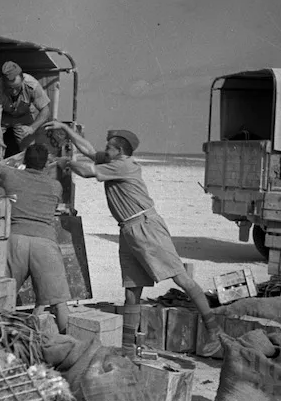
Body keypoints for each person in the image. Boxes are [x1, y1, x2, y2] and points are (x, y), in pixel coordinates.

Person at [44, 122, 226, 357]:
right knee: (132, 289)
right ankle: (128, 349)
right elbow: (89, 151)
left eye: (109, 147)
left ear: (119, 151)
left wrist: (66, 162)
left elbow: (88, 170)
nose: (104, 150)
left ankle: (215, 330)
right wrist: (66, 130)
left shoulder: (123, 166)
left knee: (181, 278)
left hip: (146, 227)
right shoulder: (113, 161)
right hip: (128, 230)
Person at [0, 143, 71, 333]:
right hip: (45, 242)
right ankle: (65, 343)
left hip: (15, 240)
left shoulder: (10, 176)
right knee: (59, 302)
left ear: (25, 160)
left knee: (3, 296)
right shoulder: (55, 186)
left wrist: (16, 160)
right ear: (45, 164)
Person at [0, 61, 51, 158]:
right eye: (9, 88)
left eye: (17, 88)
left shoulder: (32, 85)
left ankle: (25, 169)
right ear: (3, 82)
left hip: (24, 116)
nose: (14, 92)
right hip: (3, 116)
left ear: (23, 80)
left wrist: (32, 127)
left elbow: (45, 110)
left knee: (30, 152)